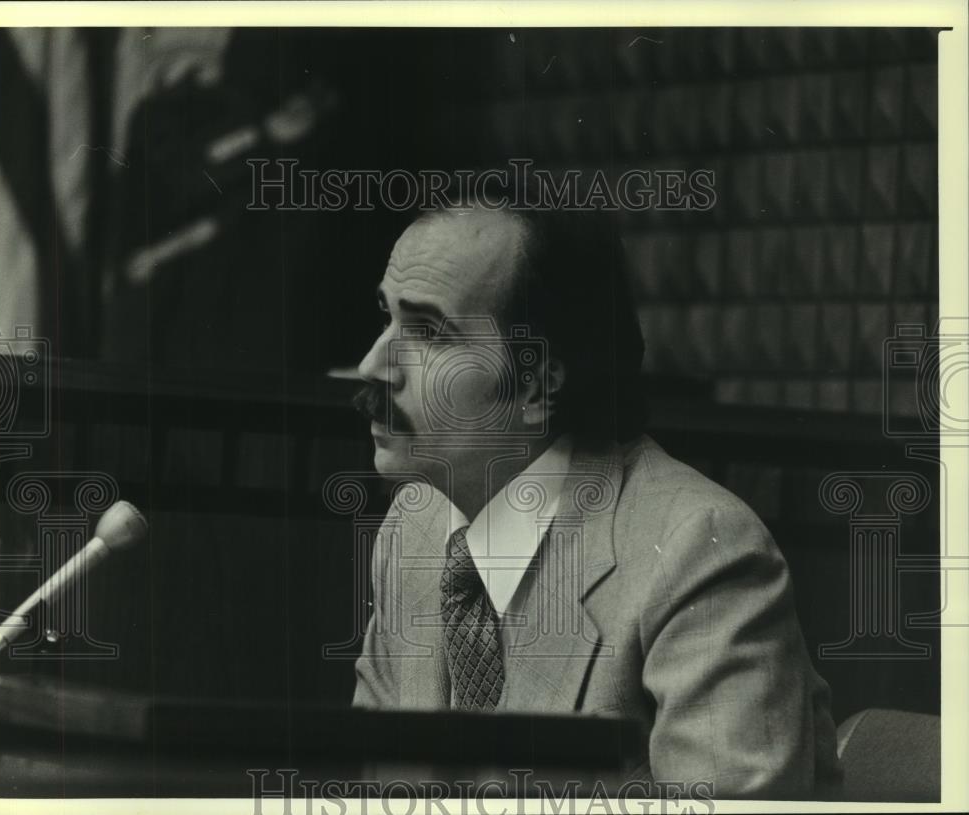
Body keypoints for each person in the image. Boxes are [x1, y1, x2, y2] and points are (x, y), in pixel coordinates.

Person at [350, 195, 842, 798]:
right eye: (386, 318)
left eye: (427, 331)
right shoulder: (415, 524)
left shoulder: (700, 553)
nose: (373, 365)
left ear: (536, 384)